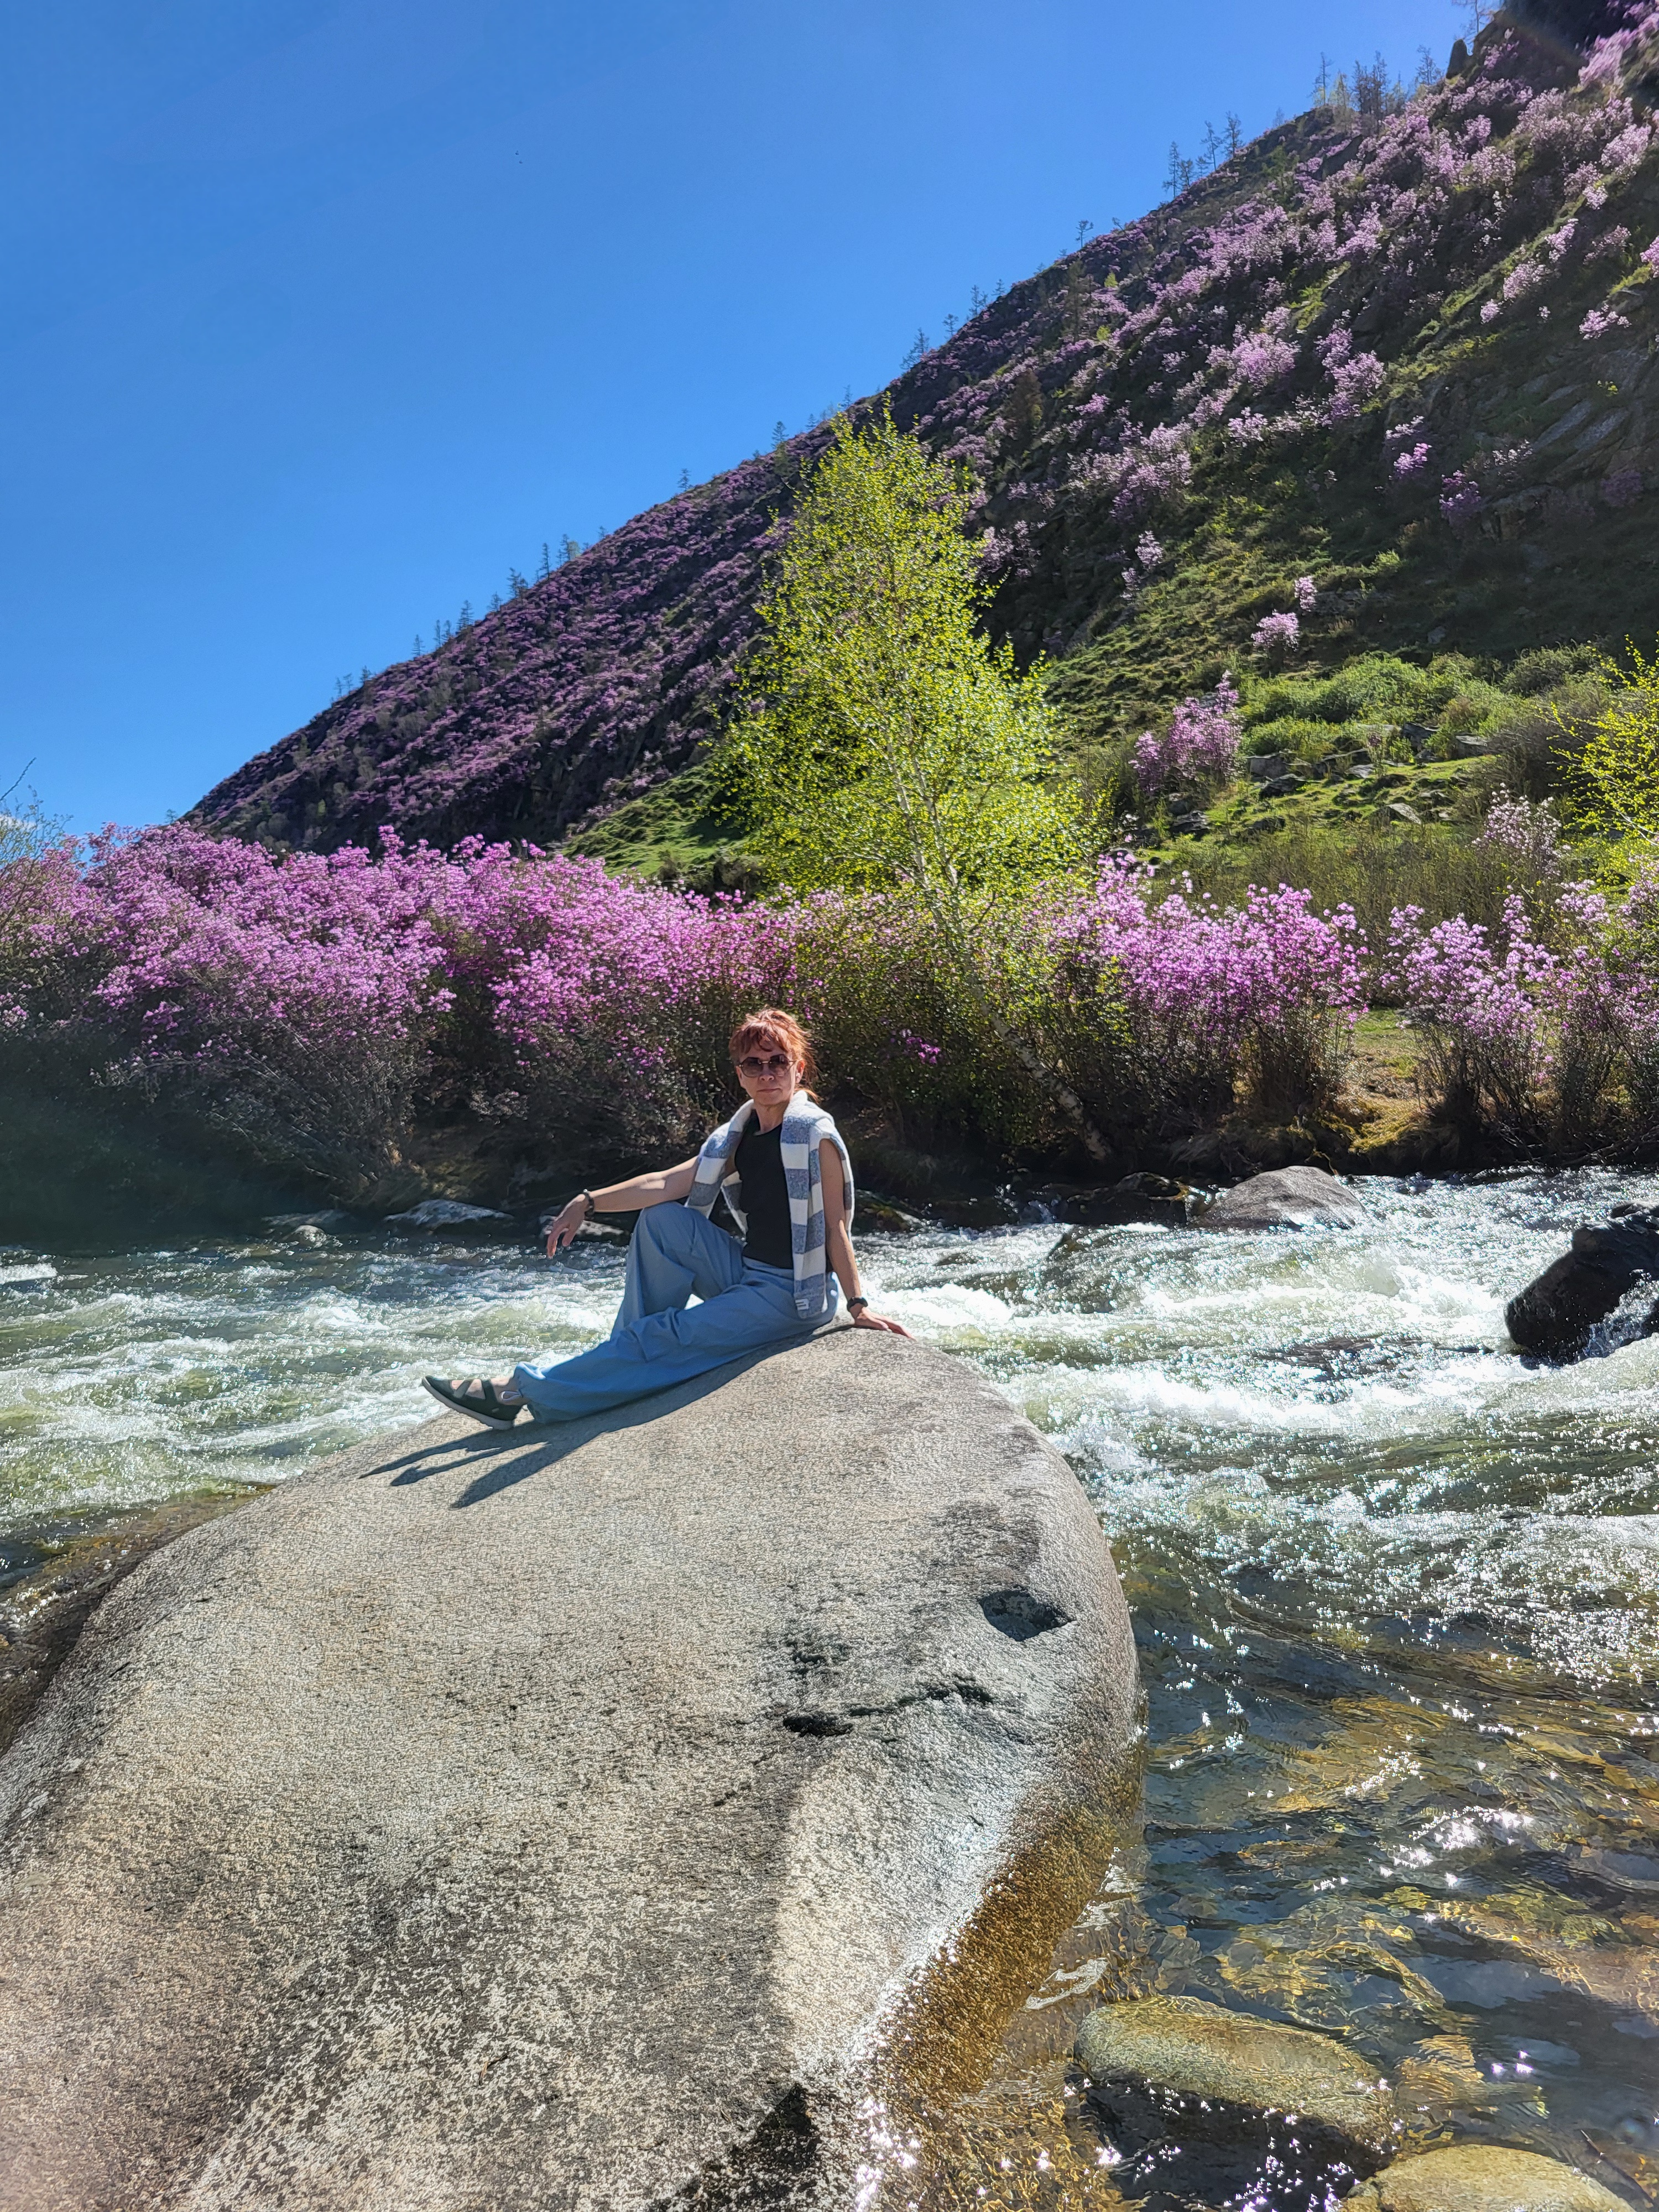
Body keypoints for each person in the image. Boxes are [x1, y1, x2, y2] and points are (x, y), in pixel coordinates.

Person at [423, 1009, 908, 1428]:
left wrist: (858, 1305)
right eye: (754, 1064)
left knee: (663, 1333)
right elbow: (663, 1184)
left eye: (778, 1061)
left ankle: (519, 1392)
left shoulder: (813, 1136)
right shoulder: (737, 1140)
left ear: (798, 1069)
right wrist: (587, 1201)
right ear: (740, 1075)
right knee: (661, 1221)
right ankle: (626, 1358)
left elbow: (835, 1226)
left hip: (792, 1295)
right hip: (747, 1272)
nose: (767, 1073)